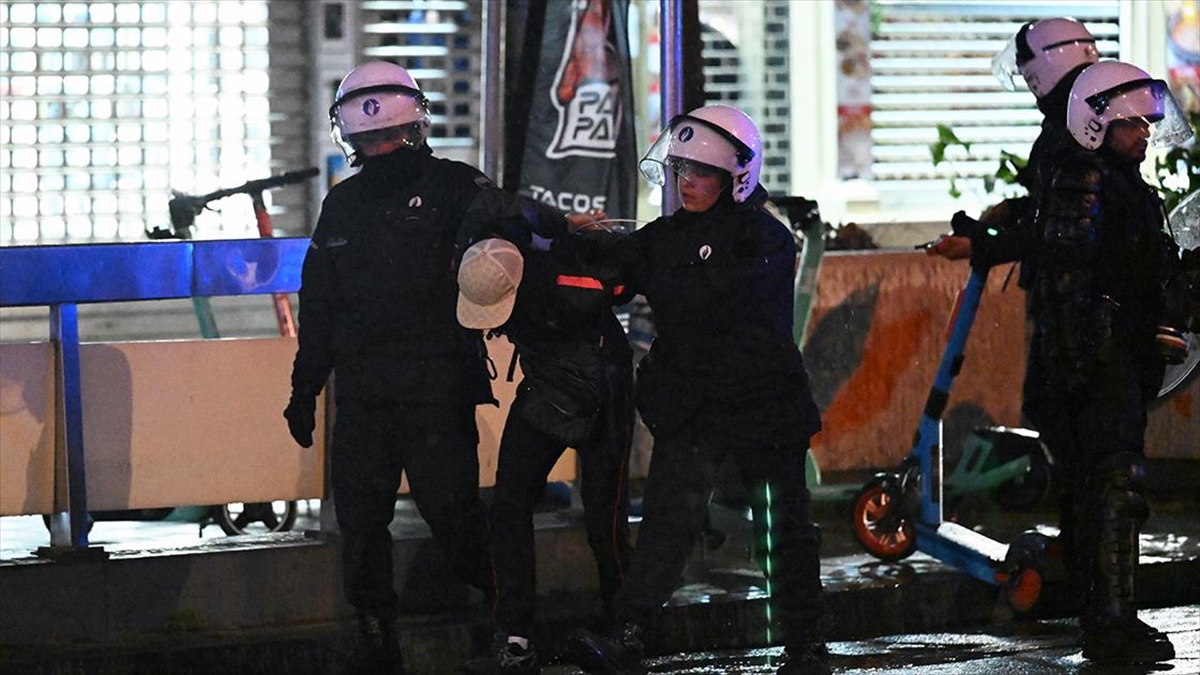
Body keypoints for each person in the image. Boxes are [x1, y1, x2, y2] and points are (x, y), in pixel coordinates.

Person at [534, 105, 828, 675]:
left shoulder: (764, 237)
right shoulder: (670, 236)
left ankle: (805, 645)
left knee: (784, 526)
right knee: (668, 524)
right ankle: (630, 635)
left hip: (761, 406)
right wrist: (560, 242)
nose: (686, 182)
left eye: (701, 172)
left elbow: (709, 300)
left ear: (735, 177)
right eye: (681, 169)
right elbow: (613, 269)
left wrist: (641, 270)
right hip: (694, 408)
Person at [282, 60, 519, 674]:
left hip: (438, 391)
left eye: (389, 136)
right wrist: (305, 388)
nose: (380, 148)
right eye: (369, 139)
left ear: (414, 129)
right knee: (361, 523)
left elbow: (515, 249)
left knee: (455, 515)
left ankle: (509, 624)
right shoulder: (343, 204)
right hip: (365, 395)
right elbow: (321, 303)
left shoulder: (459, 188)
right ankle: (375, 638)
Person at [924, 17, 1099, 609]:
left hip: (1077, 317)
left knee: (1079, 440)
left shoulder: (1073, 129)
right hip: (1069, 310)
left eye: (1028, 71)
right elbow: (1054, 211)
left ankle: (1088, 573)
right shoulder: (1079, 118)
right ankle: (1081, 557)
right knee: (1065, 430)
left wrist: (988, 243)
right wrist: (1006, 219)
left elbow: (1064, 233)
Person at [1028, 59, 1193, 664]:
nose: (1145, 133)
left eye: (1148, 124)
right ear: (1097, 124)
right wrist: (1092, 361)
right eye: (1133, 124)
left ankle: (1113, 620)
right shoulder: (1085, 178)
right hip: (1098, 366)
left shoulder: (1121, 181)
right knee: (1111, 490)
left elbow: (1140, 267)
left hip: (1116, 361)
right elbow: (1069, 278)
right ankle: (1108, 626)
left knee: (1114, 491)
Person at [454, 235, 635, 675]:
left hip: (601, 395)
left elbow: (621, 282)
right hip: (547, 390)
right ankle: (516, 637)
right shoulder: (520, 267)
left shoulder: (568, 281)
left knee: (604, 521)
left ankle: (626, 631)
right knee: (510, 506)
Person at [926, 16, 1099, 265]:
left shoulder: (1078, 134)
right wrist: (1013, 209)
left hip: (1075, 286)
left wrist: (980, 246)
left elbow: (1061, 236)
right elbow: (1058, 205)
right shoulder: (1076, 122)